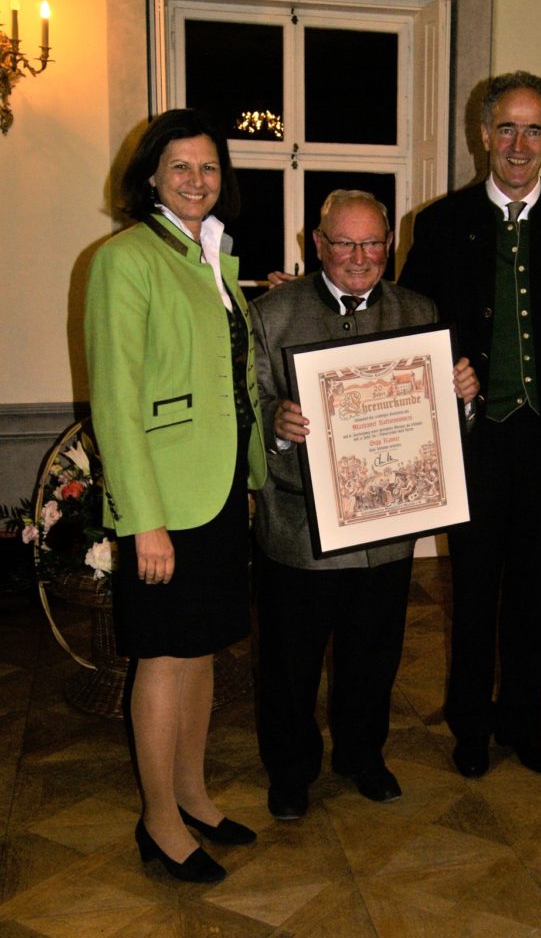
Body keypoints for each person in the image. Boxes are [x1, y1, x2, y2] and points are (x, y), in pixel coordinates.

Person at [399, 71, 541, 779]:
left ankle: (524, 720)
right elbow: (408, 330)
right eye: (506, 128)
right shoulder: (440, 223)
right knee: (472, 591)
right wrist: (447, 371)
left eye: (532, 130)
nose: (518, 144)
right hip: (474, 442)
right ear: (483, 135)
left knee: (535, 591)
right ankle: (470, 725)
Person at [251, 190, 478, 819]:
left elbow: (441, 432)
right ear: (317, 245)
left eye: (373, 242)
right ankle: (291, 771)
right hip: (299, 529)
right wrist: (275, 421)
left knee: (373, 655)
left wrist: (460, 397)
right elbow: (245, 408)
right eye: (345, 243)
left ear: (389, 246)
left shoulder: (419, 310)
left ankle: (362, 756)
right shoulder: (272, 315)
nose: (360, 256)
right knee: (290, 664)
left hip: (386, 531)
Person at [84, 109, 266, 882]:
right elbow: (116, 400)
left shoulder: (213, 262)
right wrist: (142, 520)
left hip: (219, 491)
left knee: (200, 650)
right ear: (151, 176)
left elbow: (231, 378)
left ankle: (192, 791)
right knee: (162, 655)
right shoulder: (125, 259)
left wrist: (249, 480)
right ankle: (158, 818)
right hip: (164, 500)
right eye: (181, 167)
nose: (197, 181)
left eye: (209, 167)